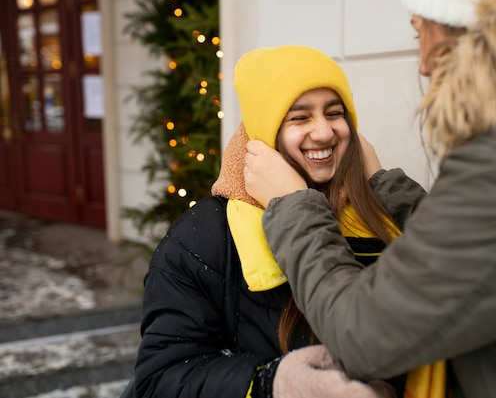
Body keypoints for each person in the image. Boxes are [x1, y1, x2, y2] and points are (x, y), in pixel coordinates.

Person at [243, 0, 496, 397]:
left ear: (475, 32)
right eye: (299, 118)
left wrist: (293, 205)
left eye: (422, 32)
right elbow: (487, 260)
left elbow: (363, 335)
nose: (424, 64)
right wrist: (389, 188)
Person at [133, 44, 414, 398]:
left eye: (334, 113)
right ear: (265, 132)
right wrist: (268, 384)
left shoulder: (380, 215)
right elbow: (160, 380)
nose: (324, 132)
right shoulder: (204, 238)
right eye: (299, 117)